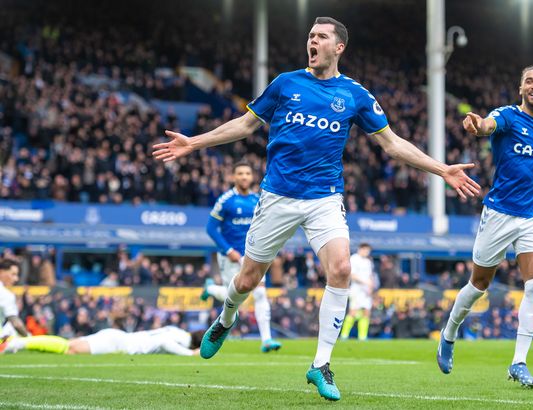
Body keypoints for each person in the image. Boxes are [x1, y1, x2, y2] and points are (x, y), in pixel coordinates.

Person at [152, 17, 480, 401]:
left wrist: (442, 169)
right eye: (310, 36)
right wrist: (193, 143)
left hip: (324, 198)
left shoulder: (355, 95)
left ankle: (320, 364)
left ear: (338, 47)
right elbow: (244, 126)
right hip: (277, 196)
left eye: (321, 36)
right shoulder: (285, 83)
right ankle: (226, 319)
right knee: (246, 281)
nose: (313, 41)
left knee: (341, 269)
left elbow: (392, 145)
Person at [437, 65, 533, 389]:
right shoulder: (508, 116)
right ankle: (450, 332)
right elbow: (487, 125)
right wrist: (477, 124)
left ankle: (519, 362)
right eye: (529, 81)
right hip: (499, 213)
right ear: (521, 88)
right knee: (479, 284)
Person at [201, 161, 281, 353]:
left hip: (252, 256)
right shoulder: (226, 200)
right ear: (233, 177)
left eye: (247, 173)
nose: (244, 177)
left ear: (252, 177)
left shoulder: (257, 200)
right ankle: (211, 288)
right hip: (229, 257)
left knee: (261, 293)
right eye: (240, 173)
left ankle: (267, 340)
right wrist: (229, 251)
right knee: (236, 299)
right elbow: (211, 228)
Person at [1, 325, 204, 356]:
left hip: (118, 336)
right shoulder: (183, 342)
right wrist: (190, 353)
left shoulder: (178, 331)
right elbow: (163, 343)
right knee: (69, 348)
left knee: (68, 344)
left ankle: (17, 341)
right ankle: (15, 343)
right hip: (119, 343)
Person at [340, 243, 377, 341]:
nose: (367, 252)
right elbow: (352, 275)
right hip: (356, 289)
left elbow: (370, 276)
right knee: (353, 312)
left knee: (366, 312)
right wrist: (365, 282)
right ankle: (344, 335)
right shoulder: (354, 259)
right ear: (360, 249)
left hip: (366, 290)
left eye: (368, 250)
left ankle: (362, 336)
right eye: (365, 250)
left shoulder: (368, 262)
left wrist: (370, 287)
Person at [0, 259, 30, 341]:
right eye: (13, 274)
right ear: (1, 272)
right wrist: (29, 339)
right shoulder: (5, 294)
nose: (16, 279)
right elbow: (16, 324)